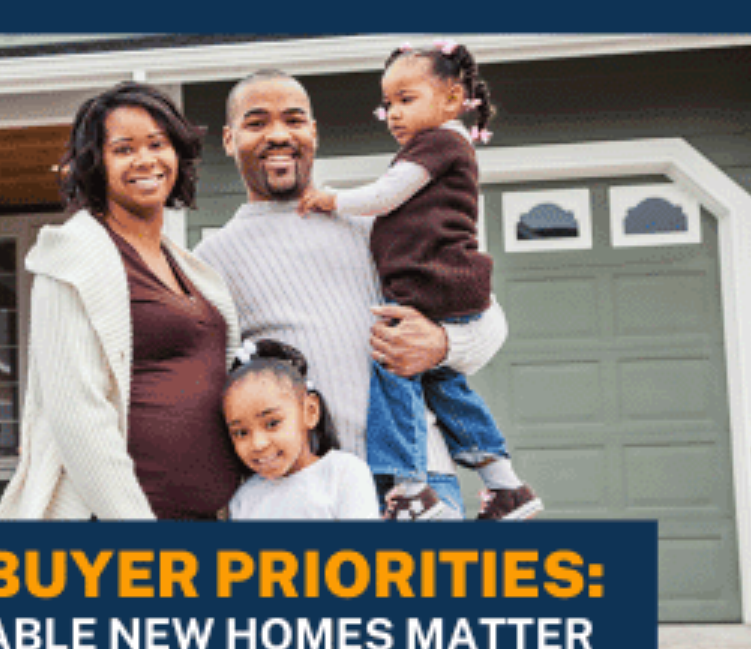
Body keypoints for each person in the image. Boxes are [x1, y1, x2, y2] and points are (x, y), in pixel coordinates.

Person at [194, 69, 508, 521]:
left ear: (314, 133)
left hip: (419, 486)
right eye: (257, 122)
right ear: (229, 139)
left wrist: (442, 344)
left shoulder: (382, 224)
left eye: (294, 120)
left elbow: (490, 323)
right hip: (307, 496)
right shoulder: (212, 261)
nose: (279, 134)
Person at [296, 41, 541, 521]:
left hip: (431, 283)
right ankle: (505, 483)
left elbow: (386, 196)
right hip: (444, 285)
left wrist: (331, 199)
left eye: (406, 99)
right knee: (445, 385)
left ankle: (409, 485)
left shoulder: (440, 143)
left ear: (451, 99)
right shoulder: (444, 146)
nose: (392, 113)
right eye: (386, 103)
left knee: (394, 367)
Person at [0, 82, 244, 521]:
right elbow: (77, 416)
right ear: (96, 164)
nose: (145, 160)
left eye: (157, 144)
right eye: (124, 149)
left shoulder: (189, 267)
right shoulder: (71, 257)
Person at [224, 338, 380, 520]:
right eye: (241, 433)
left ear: (310, 411)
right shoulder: (245, 499)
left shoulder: (343, 473)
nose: (258, 444)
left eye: (272, 423)